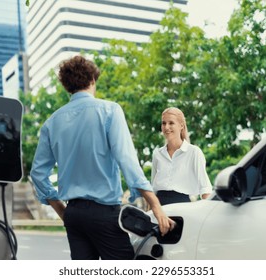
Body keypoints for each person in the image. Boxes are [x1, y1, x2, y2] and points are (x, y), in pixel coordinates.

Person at [30, 55, 175, 260]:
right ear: (92, 81)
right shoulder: (109, 110)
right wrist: (156, 206)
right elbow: (126, 159)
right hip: (104, 214)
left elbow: (37, 173)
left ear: (67, 87)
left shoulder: (51, 123)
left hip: (74, 215)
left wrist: (62, 210)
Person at [151, 107, 212, 205]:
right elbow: (153, 188)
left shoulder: (194, 152)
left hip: (182, 207)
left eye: (171, 123)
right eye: (163, 123)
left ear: (181, 125)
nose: (166, 127)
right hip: (159, 208)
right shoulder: (157, 154)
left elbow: (205, 188)